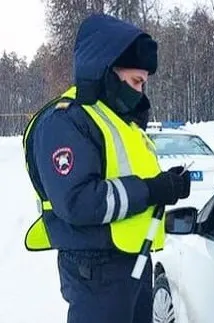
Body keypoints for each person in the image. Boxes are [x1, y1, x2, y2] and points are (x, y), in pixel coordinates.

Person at [21, 14, 192, 323]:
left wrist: (167, 185)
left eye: (144, 83)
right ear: (106, 72)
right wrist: (153, 189)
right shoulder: (66, 121)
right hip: (96, 270)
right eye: (135, 81)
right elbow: (79, 201)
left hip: (133, 259)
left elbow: (126, 176)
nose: (141, 92)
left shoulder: (117, 118)